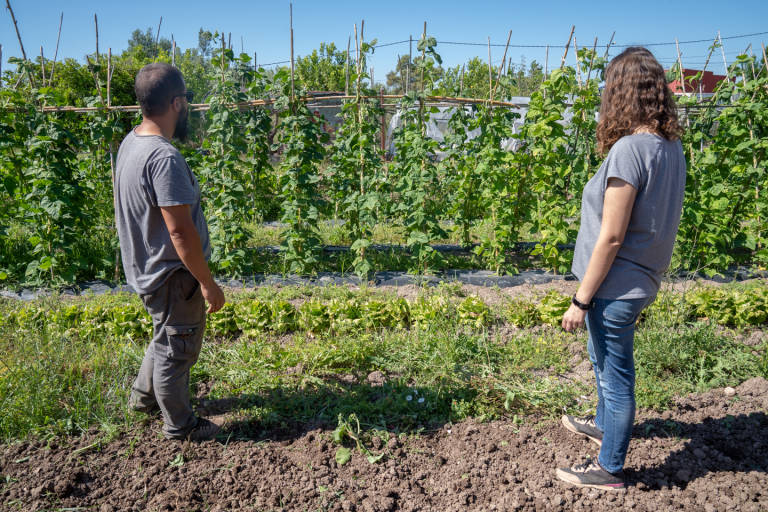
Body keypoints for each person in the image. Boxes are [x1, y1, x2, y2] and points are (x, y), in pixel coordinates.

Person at [555, 47, 686, 490]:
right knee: (604, 362)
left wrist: (580, 299)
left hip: (615, 285)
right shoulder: (670, 147)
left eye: (610, 88)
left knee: (615, 378)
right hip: (641, 278)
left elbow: (611, 236)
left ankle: (609, 468)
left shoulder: (631, 150)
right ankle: (602, 424)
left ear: (623, 94)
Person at [114, 62, 226, 441]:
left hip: (146, 268)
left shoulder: (132, 141)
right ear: (176, 102)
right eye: (187, 102)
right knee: (177, 351)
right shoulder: (163, 158)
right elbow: (179, 232)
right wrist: (207, 282)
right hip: (173, 276)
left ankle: (141, 400)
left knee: (164, 335)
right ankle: (181, 426)